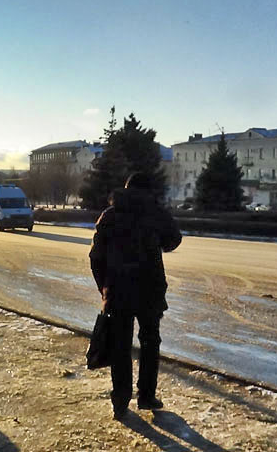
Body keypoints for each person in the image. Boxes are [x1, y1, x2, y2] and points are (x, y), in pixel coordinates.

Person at [89, 172, 182, 420]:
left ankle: (120, 400)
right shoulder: (155, 213)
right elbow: (174, 240)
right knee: (150, 342)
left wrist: (104, 287)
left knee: (120, 345)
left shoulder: (110, 216)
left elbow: (95, 257)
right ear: (149, 191)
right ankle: (146, 396)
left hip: (118, 290)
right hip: (150, 289)